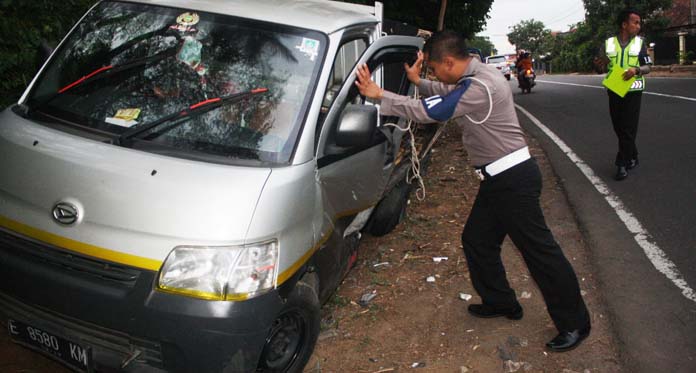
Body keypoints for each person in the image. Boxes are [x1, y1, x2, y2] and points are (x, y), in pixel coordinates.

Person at [355, 31, 591, 352]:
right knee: (477, 240)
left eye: (434, 69)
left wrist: (379, 94)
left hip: (512, 180)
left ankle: (575, 322)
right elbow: (446, 91)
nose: (435, 75)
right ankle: (501, 302)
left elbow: (432, 110)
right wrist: (419, 81)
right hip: (498, 179)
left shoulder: (481, 86)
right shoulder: (476, 73)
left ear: (449, 61)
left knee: (540, 252)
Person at [594, 9, 651, 181]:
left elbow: (648, 67)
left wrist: (636, 70)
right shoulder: (609, 43)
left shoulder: (640, 43)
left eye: (639, 23)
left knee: (628, 127)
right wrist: (598, 65)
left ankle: (622, 164)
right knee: (618, 127)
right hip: (614, 88)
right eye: (635, 22)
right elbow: (600, 67)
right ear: (624, 25)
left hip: (633, 89)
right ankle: (633, 154)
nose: (638, 26)